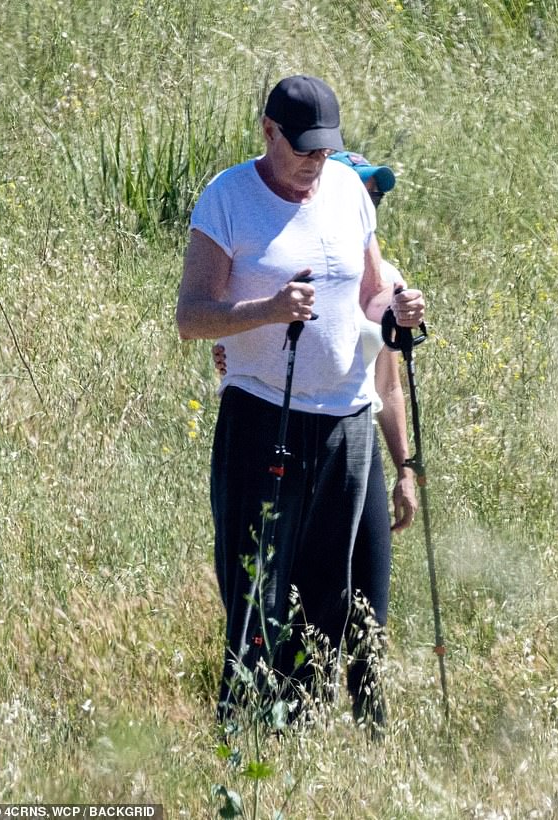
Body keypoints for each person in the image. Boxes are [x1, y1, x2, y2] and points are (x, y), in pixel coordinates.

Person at [176, 75, 424, 724]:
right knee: (256, 587)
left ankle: (303, 732)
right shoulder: (227, 199)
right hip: (263, 418)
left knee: (331, 597)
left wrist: (397, 307)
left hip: (346, 424)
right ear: (267, 131)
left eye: (325, 149)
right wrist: (268, 309)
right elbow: (192, 316)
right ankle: (244, 729)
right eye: (302, 149)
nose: (315, 162)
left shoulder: (346, 191)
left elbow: (371, 294)